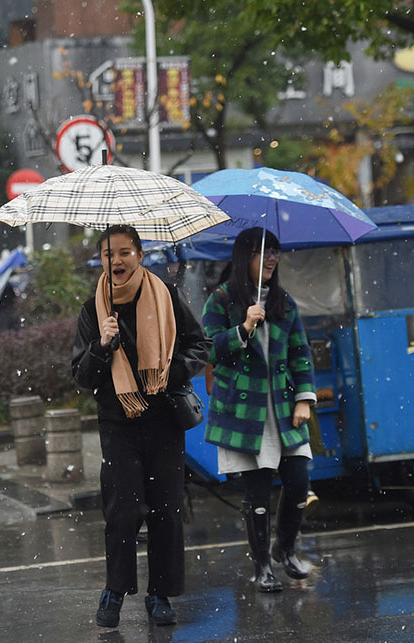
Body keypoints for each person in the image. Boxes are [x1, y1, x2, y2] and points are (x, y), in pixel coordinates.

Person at [72, 225, 210, 629]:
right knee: (123, 509)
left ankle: (159, 594)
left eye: (124, 252)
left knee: (166, 509)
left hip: (164, 419)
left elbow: (199, 345)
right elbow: (82, 376)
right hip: (118, 422)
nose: (115, 261)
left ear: (140, 254)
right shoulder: (91, 310)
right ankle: (116, 589)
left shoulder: (164, 296)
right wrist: (102, 345)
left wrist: (173, 372)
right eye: (107, 254)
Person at [201, 227, 317, 593]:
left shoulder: (284, 302)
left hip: (284, 410)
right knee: (258, 493)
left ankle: (285, 548)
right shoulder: (220, 300)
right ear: (242, 257)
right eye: (262, 252)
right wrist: (244, 327)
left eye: (275, 253)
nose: (271, 259)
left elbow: (300, 353)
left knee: (298, 482)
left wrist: (304, 398)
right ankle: (262, 565)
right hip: (244, 412)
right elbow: (209, 350)